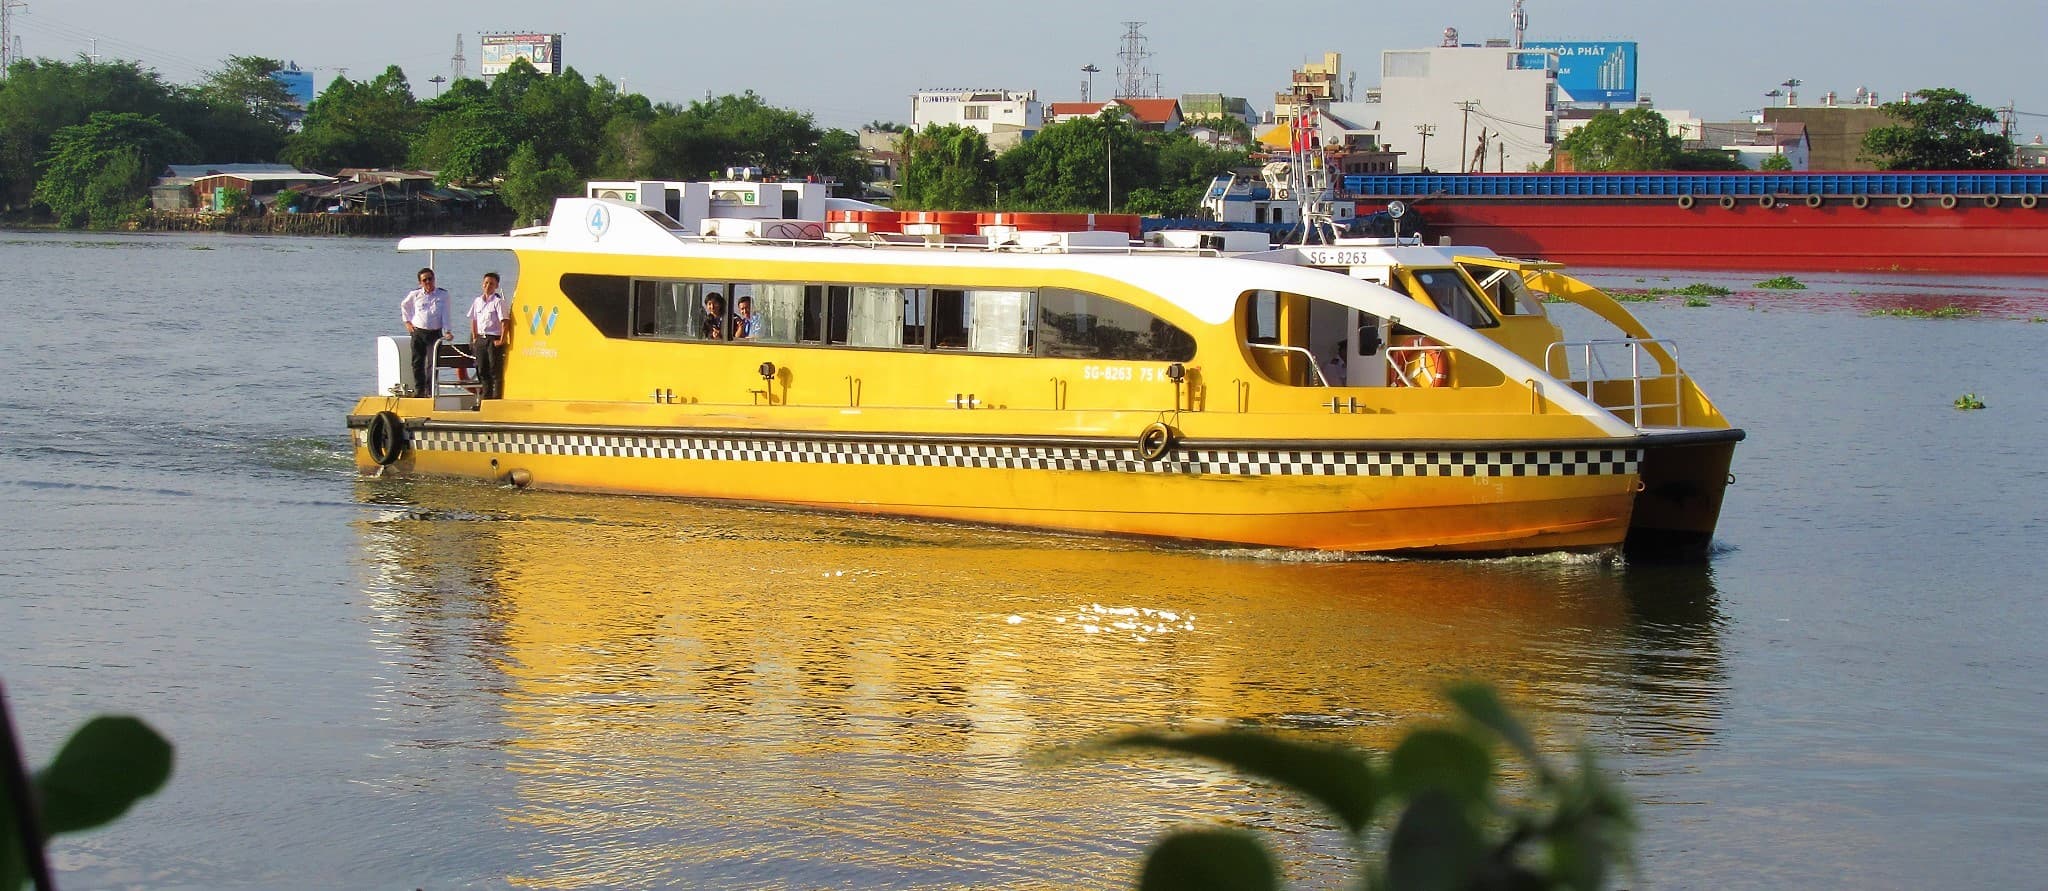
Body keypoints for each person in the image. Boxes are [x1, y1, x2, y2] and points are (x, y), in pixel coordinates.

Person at [399, 268, 451, 396]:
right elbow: (404, 306)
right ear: (420, 282)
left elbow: (446, 314)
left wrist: (448, 330)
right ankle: (420, 391)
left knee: (432, 364)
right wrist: (407, 322)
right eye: (424, 280)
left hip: (434, 333)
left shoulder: (443, 295)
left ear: (434, 279)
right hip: (418, 332)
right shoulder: (415, 294)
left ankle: (429, 391)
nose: (428, 282)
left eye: (430, 279)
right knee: (417, 362)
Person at [467, 272, 510, 399]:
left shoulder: (498, 302)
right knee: (482, 370)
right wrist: (475, 337)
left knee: (495, 370)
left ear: (496, 286)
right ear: (482, 284)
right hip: (481, 338)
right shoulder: (477, 301)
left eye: (491, 283)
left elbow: (505, 322)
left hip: (493, 339)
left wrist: (502, 340)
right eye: (486, 283)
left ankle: (496, 398)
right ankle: (486, 397)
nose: (488, 286)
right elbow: (473, 319)